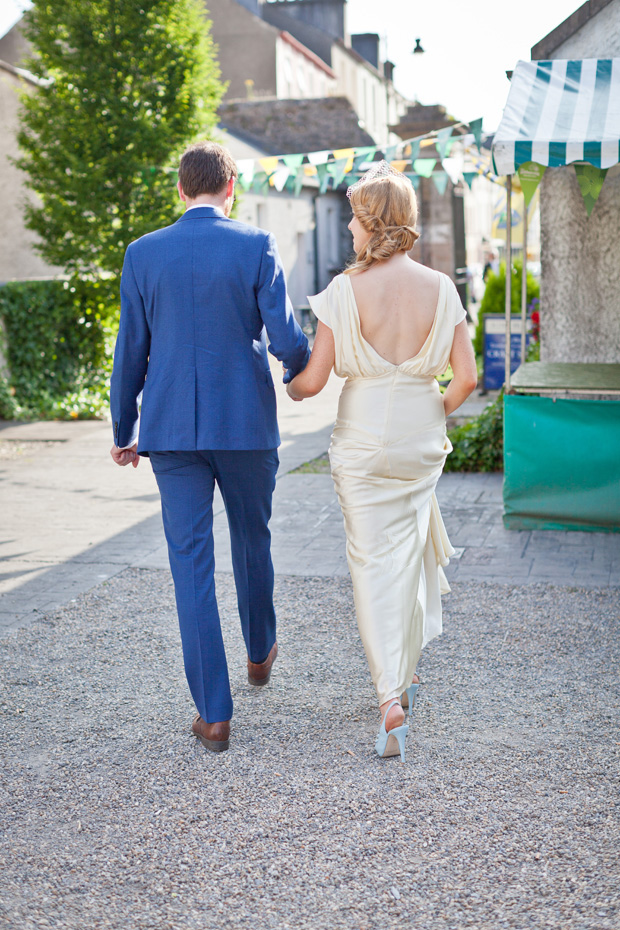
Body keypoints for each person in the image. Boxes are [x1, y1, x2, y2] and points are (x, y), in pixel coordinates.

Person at [109, 141, 310, 754]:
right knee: (253, 538)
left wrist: (124, 430)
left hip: (171, 432)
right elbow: (285, 338)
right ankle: (259, 652)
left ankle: (214, 715)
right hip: (246, 424)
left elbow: (130, 353)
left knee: (190, 564)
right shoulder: (255, 245)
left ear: (179, 190)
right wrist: (302, 368)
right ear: (230, 188)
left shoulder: (142, 254)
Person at [286, 163, 477, 763]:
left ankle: (390, 697)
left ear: (371, 222)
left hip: (364, 441)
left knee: (372, 564)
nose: (346, 227)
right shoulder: (442, 288)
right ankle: (406, 676)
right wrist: (430, 414)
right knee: (411, 551)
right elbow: (468, 379)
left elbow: (312, 383)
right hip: (420, 438)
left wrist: (288, 384)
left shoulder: (344, 290)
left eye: (352, 216)